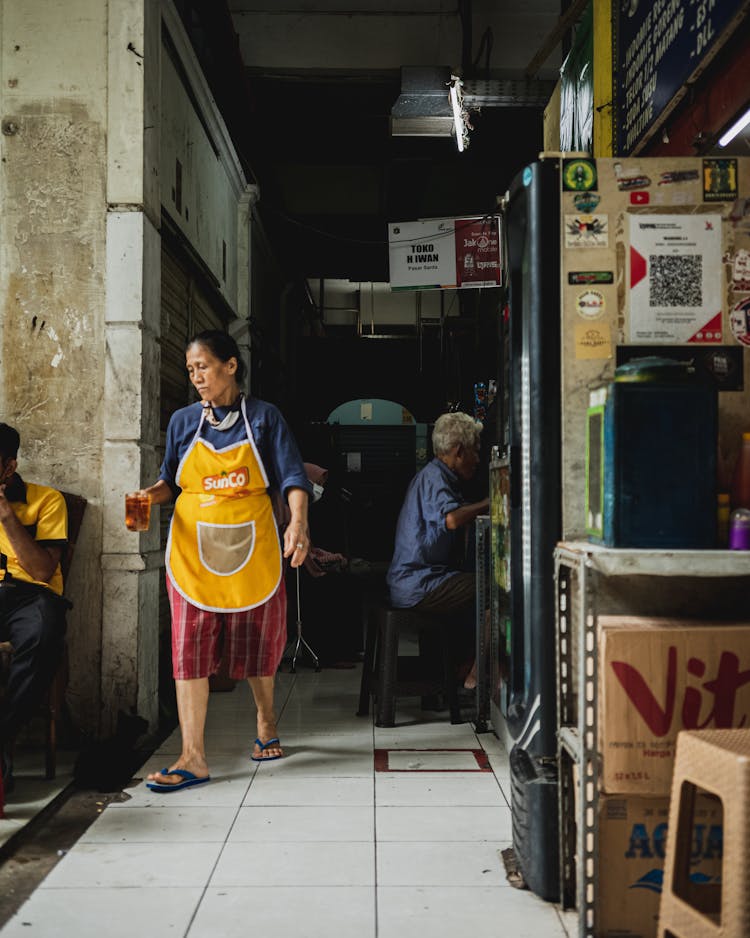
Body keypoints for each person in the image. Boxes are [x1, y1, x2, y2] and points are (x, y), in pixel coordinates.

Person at [134, 330, 311, 793]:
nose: (196, 377)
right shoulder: (182, 422)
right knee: (188, 648)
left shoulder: (265, 419)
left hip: (253, 546)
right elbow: (169, 481)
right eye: (190, 370)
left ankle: (266, 722)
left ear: (231, 366)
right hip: (193, 551)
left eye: (204, 367)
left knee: (257, 642)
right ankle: (193, 757)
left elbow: (292, 476)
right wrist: (146, 498)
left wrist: (298, 524)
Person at [386, 411, 489, 688]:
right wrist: (490, 502)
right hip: (418, 584)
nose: (478, 460)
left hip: (421, 580)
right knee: (490, 588)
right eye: (475, 451)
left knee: (469, 588)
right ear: (458, 451)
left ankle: (461, 665)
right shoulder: (434, 478)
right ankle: (477, 676)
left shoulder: (438, 477)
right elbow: (452, 519)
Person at [0, 423, 69, 795]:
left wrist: (7, 516)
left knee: (45, 636)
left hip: (31, 595)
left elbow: (44, 570)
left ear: (9, 467)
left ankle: (3, 736)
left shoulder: (47, 500)